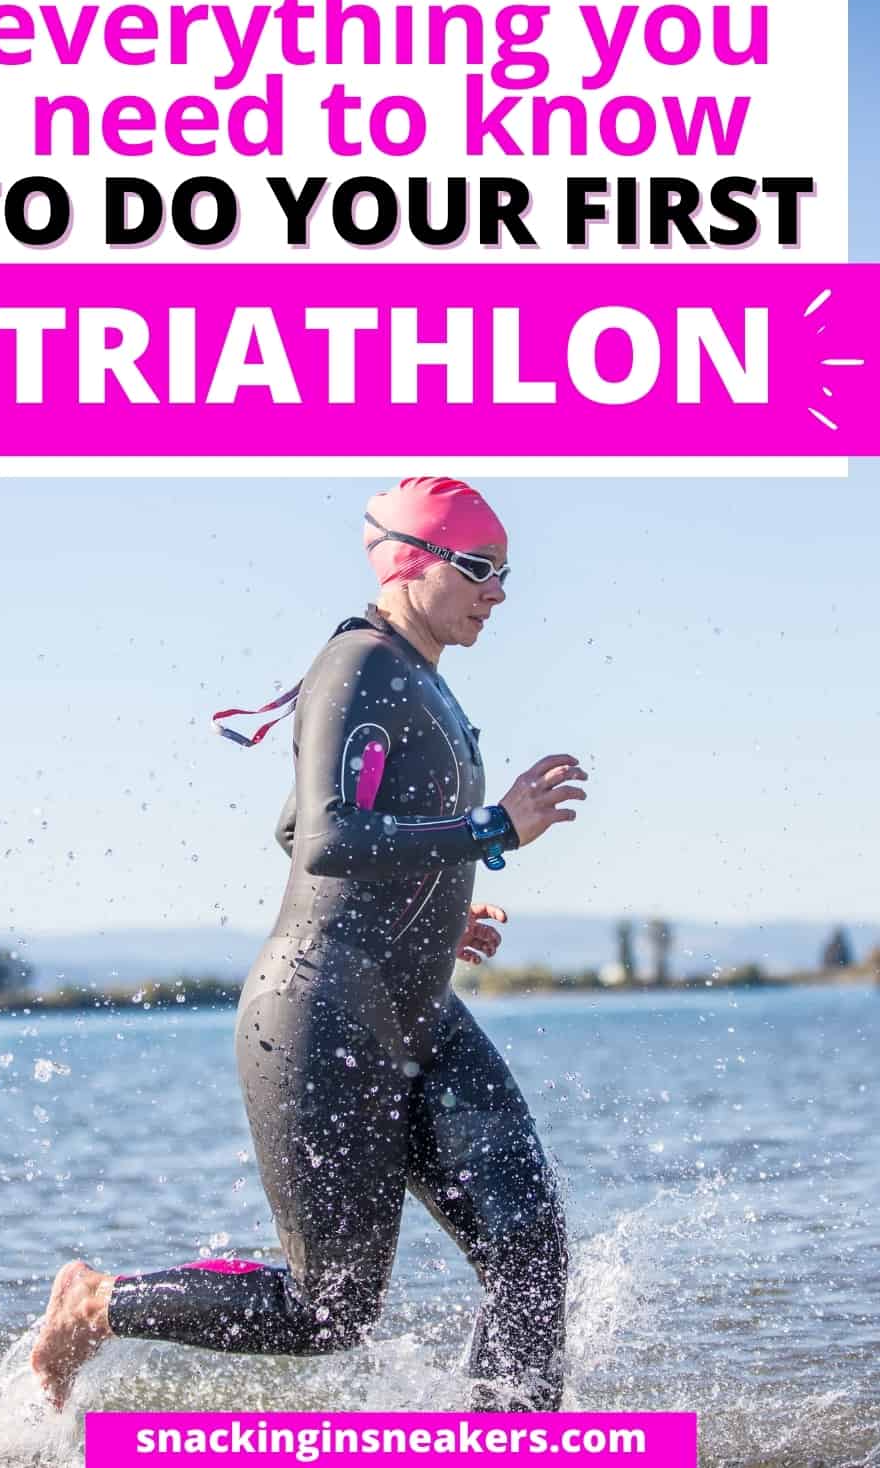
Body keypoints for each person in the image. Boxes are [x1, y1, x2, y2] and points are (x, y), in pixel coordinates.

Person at [32, 476, 587, 1411]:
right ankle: (96, 1303)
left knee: (529, 1241)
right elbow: (329, 834)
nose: (498, 591)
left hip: (416, 1012)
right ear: (409, 562)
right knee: (327, 1312)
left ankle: (511, 1440)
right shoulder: (360, 665)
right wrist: (491, 830)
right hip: (322, 1016)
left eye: (504, 572)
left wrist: (433, 908)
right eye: (480, 569)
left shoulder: (418, 681)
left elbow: (296, 829)